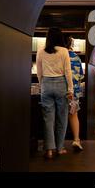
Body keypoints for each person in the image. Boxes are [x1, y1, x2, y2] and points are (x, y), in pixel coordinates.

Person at [36, 27, 74, 159]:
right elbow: (68, 71)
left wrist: (42, 85)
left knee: (48, 118)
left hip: (46, 83)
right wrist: (70, 89)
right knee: (62, 118)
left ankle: (49, 150)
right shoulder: (64, 51)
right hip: (61, 85)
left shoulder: (41, 51)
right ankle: (60, 147)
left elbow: (39, 71)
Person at [66, 36, 84, 151]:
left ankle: (58, 143)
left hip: (63, 89)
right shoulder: (76, 57)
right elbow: (81, 76)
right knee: (74, 115)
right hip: (75, 91)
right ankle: (77, 140)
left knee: (60, 116)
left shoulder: (59, 55)